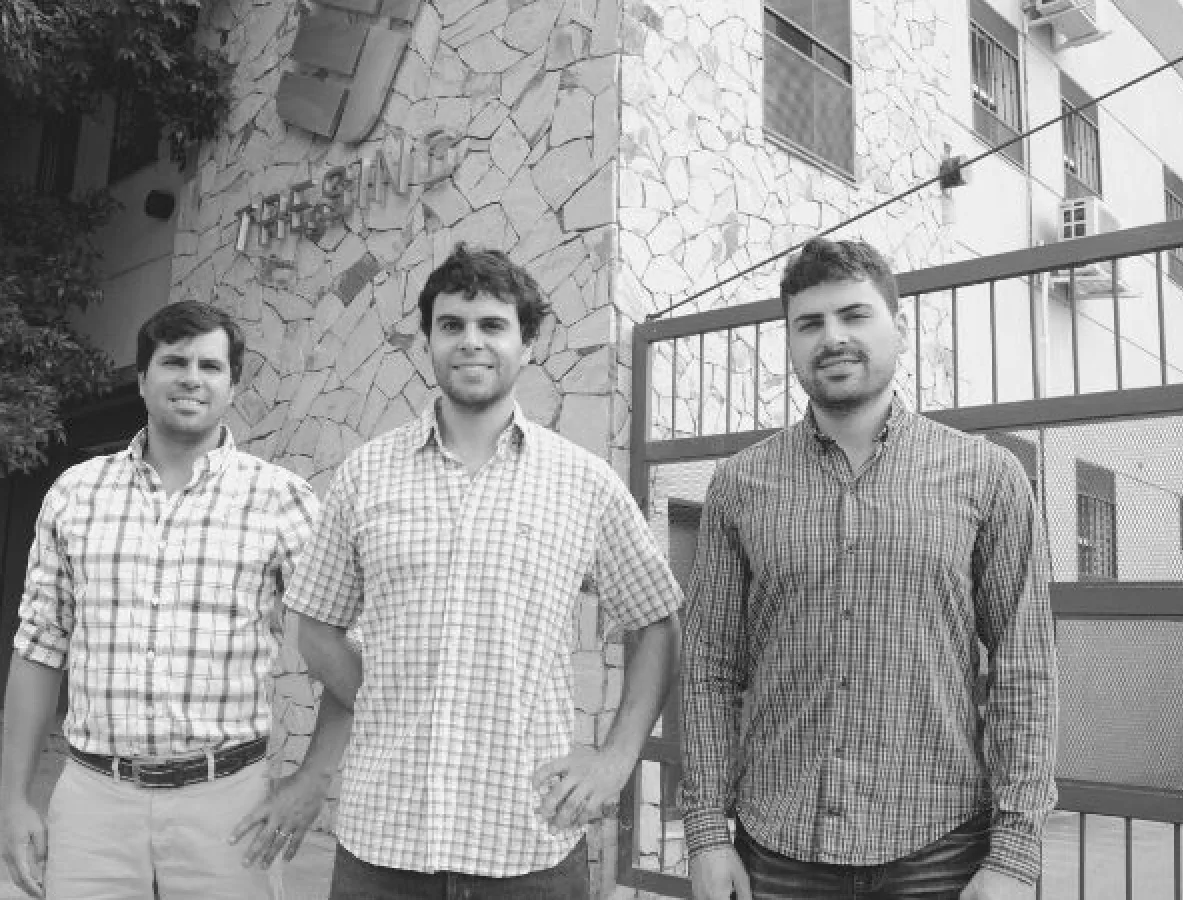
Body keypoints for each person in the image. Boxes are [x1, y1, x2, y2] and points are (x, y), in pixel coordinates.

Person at [232, 243, 683, 899]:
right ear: (429, 341)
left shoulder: (584, 483)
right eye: (452, 325)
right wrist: (389, 695)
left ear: (527, 343)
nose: (471, 341)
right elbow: (315, 624)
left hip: (528, 845)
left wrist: (615, 760)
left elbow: (656, 623)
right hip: (383, 845)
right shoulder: (366, 474)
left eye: (492, 325)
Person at [679, 238, 1058, 900]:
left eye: (854, 315)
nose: (833, 338)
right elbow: (709, 666)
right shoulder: (739, 484)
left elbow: (1024, 668)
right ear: (791, 342)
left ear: (899, 329)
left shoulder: (987, 476)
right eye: (810, 323)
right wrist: (708, 833)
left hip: (940, 850)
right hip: (779, 849)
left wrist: (1016, 852)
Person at [0, 301, 319, 900]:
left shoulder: (283, 500)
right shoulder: (75, 493)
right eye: (174, 362)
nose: (191, 378)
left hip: (229, 803)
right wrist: (13, 799)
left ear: (232, 385)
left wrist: (313, 779)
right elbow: (39, 647)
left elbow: (341, 644)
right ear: (143, 380)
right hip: (94, 800)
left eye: (210, 366)